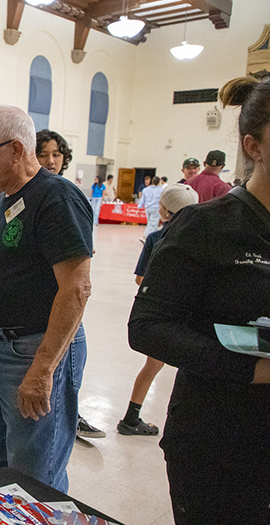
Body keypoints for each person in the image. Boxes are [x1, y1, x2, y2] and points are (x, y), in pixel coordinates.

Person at [128, 76, 270, 525]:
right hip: (220, 441)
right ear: (254, 146)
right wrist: (254, 369)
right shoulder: (205, 226)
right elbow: (148, 327)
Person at [0, 105, 92, 491]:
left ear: (14, 149)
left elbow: (76, 289)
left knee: (32, 477)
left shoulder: (56, 198)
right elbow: (15, 262)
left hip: (32, 351)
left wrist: (43, 370)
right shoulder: (9, 196)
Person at [36, 130, 103, 439]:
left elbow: (78, 284)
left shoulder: (63, 195)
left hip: (60, 311)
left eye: (57, 155)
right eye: (44, 154)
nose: (51, 161)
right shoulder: (31, 193)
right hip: (40, 312)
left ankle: (71, 416)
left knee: (62, 380)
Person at [118, 183, 198, 437]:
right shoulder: (199, 241)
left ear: (163, 211)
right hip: (185, 314)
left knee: (154, 364)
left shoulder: (155, 238)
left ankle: (132, 416)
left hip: (159, 314)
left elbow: (140, 278)